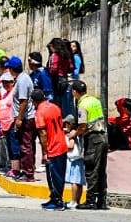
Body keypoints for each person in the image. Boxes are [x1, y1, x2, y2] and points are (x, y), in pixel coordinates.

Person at [74, 78, 108, 210]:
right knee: (101, 171)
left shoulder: (82, 105)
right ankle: (102, 201)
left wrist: (74, 134)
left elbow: (82, 126)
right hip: (103, 137)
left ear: (75, 92)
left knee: (92, 170)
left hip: (93, 139)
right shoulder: (95, 101)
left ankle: (90, 201)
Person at [34, 86, 67, 211]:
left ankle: (57, 201)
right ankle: (56, 198)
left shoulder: (40, 112)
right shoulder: (55, 107)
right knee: (59, 175)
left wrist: (44, 152)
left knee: (52, 176)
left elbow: (43, 134)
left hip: (53, 147)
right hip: (61, 144)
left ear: (34, 101)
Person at [10, 56, 37, 183]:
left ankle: (28, 173)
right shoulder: (21, 78)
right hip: (24, 117)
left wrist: (19, 118)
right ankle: (26, 169)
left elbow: (23, 101)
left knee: (26, 146)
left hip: (26, 118)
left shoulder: (22, 81)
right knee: (24, 145)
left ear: (11, 69)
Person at [0, 70, 20, 178]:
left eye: (8, 82)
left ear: (12, 82)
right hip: (4, 125)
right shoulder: (5, 94)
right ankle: (11, 167)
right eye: (4, 82)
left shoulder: (14, 93)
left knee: (14, 147)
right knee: (9, 147)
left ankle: (16, 169)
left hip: (11, 123)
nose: (6, 84)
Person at [64, 114, 86, 208]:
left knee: (74, 181)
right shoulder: (78, 133)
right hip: (80, 159)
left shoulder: (72, 133)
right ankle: (77, 200)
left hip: (74, 159)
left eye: (66, 124)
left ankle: (73, 201)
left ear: (69, 124)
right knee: (79, 182)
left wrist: (63, 148)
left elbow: (71, 145)